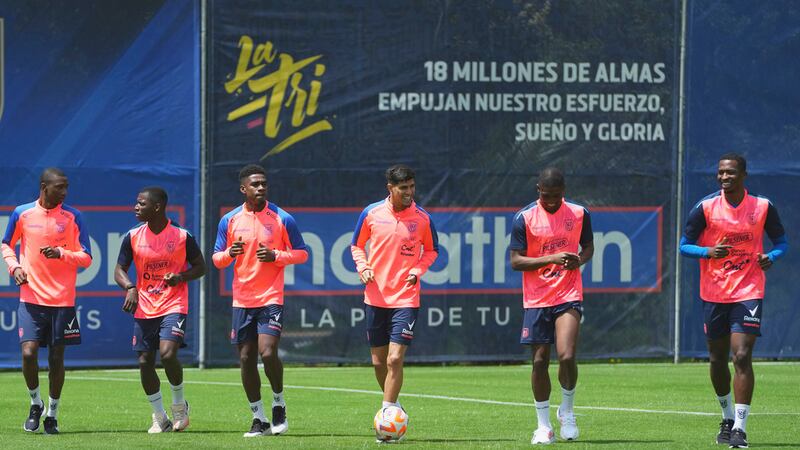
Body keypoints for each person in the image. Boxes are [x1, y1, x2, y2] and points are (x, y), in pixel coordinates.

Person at [680, 153, 788, 449]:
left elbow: (782, 242)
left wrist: (771, 257)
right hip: (714, 293)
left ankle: (740, 428)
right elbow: (684, 245)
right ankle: (726, 417)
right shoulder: (705, 207)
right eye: (720, 173)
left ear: (743, 175)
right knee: (717, 359)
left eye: (729, 173)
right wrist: (707, 252)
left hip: (749, 290)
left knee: (741, 355)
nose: (724, 178)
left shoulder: (763, 207)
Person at [213, 164, 308, 437]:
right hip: (242, 299)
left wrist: (277, 255)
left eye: (264, 183)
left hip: (270, 297)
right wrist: (230, 253)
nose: (261, 188)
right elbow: (217, 259)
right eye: (255, 184)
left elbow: (301, 253)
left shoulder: (282, 218)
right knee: (245, 358)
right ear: (243, 189)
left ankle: (279, 403)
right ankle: (259, 418)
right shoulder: (229, 220)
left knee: (267, 352)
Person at [350, 164, 439, 441]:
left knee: (394, 358)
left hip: (406, 298)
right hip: (375, 297)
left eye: (412, 187)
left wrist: (417, 270)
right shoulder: (371, 213)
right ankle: (395, 406)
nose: (409, 193)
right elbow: (356, 245)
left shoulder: (422, 218)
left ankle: (387, 417)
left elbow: (432, 250)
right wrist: (363, 267)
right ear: (390, 188)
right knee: (378, 362)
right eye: (403, 188)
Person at [1, 168, 92, 434]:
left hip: (62, 300)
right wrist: (14, 267)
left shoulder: (74, 217)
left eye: (66, 187)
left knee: (56, 358)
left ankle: (52, 413)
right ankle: (34, 403)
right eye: (59, 187)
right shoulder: (22, 213)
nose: (64, 192)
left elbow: (86, 257)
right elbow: (6, 244)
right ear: (44, 187)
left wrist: (61, 253)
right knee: (28, 353)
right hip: (31, 297)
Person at [509, 167, 594, 445]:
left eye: (556, 196)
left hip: (568, 294)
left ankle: (567, 411)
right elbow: (516, 261)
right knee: (539, 361)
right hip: (536, 299)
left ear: (564, 192)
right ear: (538, 191)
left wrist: (579, 260)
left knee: (567, 355)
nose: (551, 201)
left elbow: (589, 247)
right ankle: (543, 426)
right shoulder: (524, 218)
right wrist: (551, 258)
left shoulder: (580, 213)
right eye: (546, 196)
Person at [114, 187, 206, 433]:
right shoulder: (132, 236)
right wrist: (130, 287)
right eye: (136, 202)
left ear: (157, 207)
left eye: (141, 203)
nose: (136, 207)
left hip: (174, 303)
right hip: (144, 306)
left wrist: (181, 276)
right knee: (145, 361)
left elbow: (201, 267)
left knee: (167, 354)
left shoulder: (182, 236)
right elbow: (119, 269)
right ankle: (159, 416)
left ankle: (179, 406)